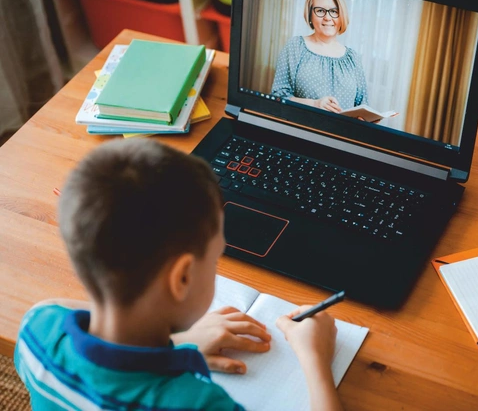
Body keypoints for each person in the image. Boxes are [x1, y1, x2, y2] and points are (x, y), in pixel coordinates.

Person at [13, 139, 342, 411]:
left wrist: (179, 343)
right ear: (182, 278)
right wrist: (317, 359)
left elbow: (56, 304)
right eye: (215, 259)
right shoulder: (198, 404)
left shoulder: (37, 330)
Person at [271, 0, 368, 114]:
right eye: (320, 11)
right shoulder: (295, 46)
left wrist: (367, 117)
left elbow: (362, 105)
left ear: (341, 16)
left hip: (340, 133)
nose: (327, 17)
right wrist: (314, 104)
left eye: (334, 11)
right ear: (310, 15)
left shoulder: (353, 58)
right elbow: (278, 97)